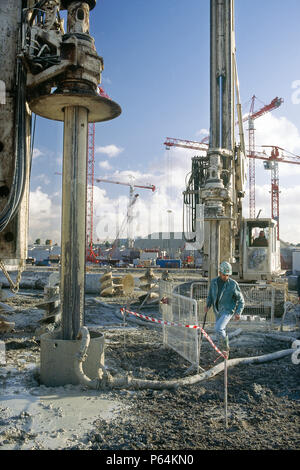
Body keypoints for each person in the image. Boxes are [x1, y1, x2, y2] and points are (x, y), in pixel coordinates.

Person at [204, 261, 245, 357]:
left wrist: (238, 312)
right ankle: (221, 351)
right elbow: (210, 296)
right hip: (217, 310)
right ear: (219, 273)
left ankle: (225, 349)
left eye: (228, 275)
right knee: (220, 331)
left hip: (228, 310)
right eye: (224, 275)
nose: (226, 277)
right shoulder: (214, 282)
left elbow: (241, 300)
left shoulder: (233, 284)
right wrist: (208, 305)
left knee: (218, 328)